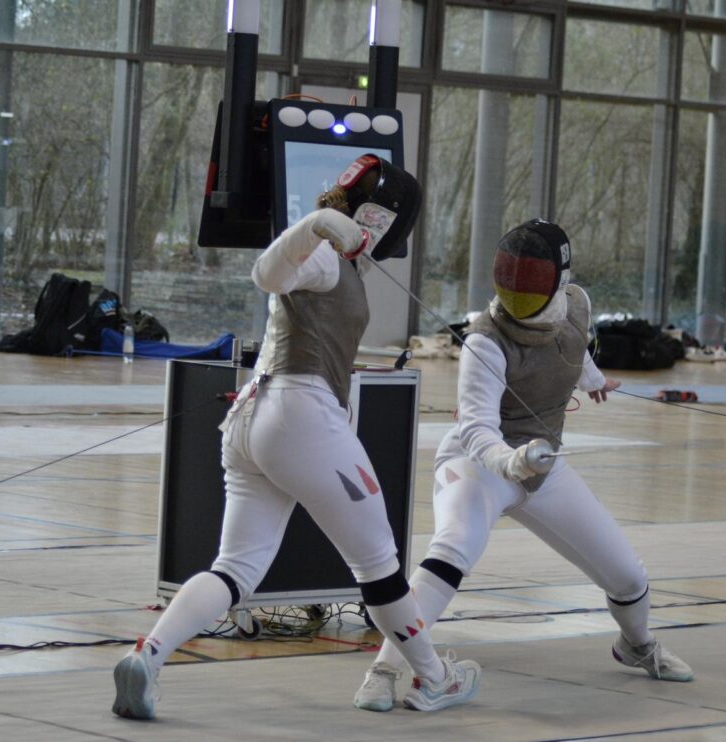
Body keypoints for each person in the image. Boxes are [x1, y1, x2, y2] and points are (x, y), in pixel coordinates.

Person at [112, 154, 480, 720]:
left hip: (256, 420)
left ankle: (149, 655)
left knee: (235, 567)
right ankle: (435, 676)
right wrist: (316, 228)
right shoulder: (325, 256)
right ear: (381, 219)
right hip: (298, 417)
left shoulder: (339, 262)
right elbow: (267, 273)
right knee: (378, 564)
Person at [354, 219, 692, 712]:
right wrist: (507, 462)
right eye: (510, 283)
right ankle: (384, 669)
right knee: (449, 553)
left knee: (627, 576)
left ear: (559, 279)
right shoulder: (485, 341)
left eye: (530, 283)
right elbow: (475, 428)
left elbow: (572, 347)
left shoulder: (577, 304)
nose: (517, 295)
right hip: (481, 467)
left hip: (544, 468)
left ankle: (637, 645)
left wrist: (594, 379)